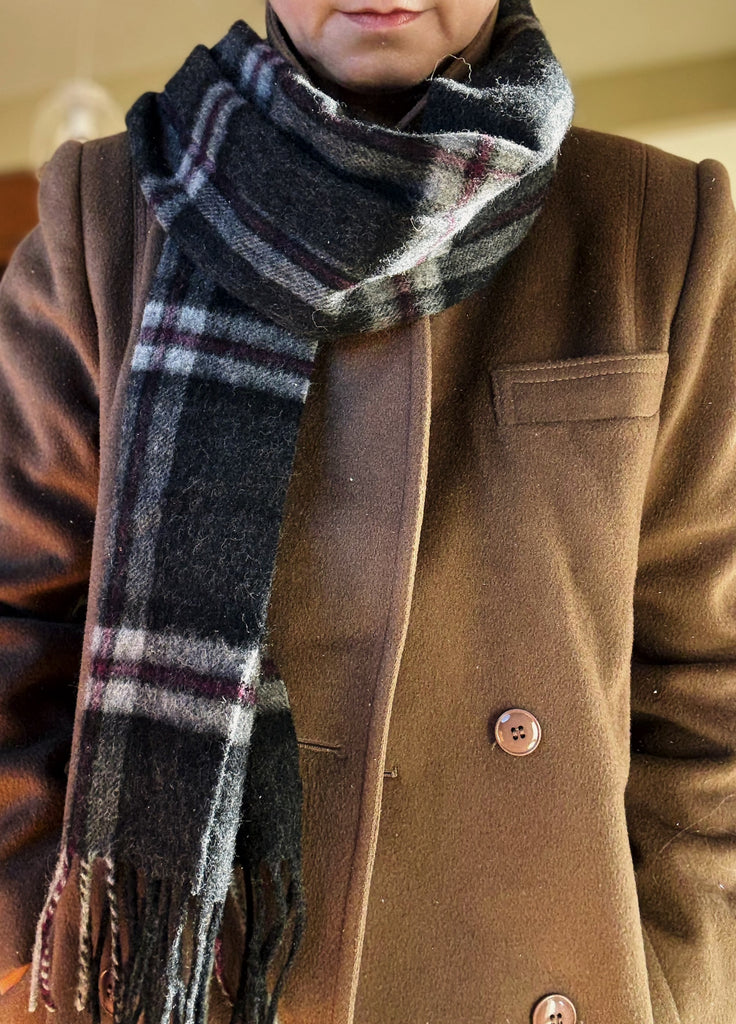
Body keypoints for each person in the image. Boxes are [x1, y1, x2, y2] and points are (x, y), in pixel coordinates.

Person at [1, 0, 735, 1022]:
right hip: (198, 985)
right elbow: (15, 630)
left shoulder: (652, 227)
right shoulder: (110, 216)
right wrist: (50, 959)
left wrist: (673, 985)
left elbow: (708, 685)